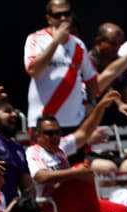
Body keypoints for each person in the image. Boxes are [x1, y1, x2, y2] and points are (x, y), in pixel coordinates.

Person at [24, 0, 98, 128]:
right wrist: (56, 42)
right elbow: (32, 70)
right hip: (44, 121)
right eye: (58, 15)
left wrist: (92, 103)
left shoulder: (78, 44)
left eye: (67, 14)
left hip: (74, 122)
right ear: (49, 19)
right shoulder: (35, 39)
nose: (63, 18)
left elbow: (91, 78)